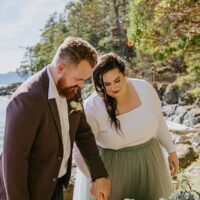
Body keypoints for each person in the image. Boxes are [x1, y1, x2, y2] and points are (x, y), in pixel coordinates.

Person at [0, 37, 111, 200]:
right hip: (29, 193)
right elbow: (13, 164)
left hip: (56, 185)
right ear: (60, 67)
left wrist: (99, 174)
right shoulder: (26, 100)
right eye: (78, 79)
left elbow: (83, 133)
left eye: (84, 80)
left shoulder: (72, 88)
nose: (81, 86)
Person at [73, 53, 179, 200]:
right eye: (107, 84)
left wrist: (171, 150)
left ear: (124, 74)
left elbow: (159, 120)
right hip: (112, 170)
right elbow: (79, 150)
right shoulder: (92, 107)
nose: (114, 87)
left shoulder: (144, 88)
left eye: (117, 80)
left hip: (150, 162)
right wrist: (96, 179)